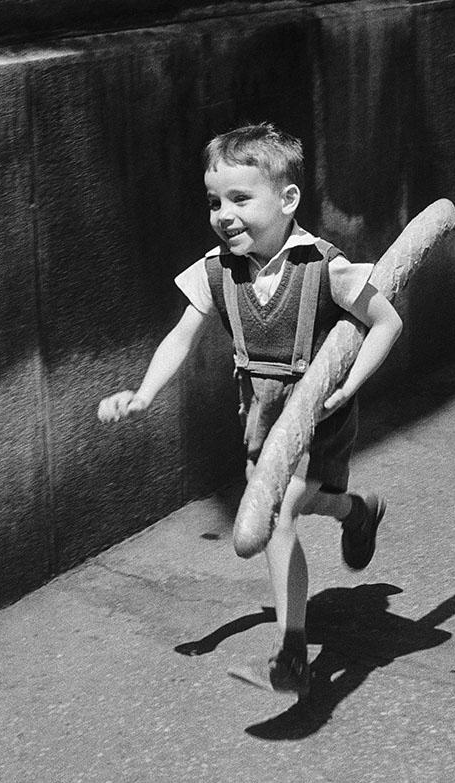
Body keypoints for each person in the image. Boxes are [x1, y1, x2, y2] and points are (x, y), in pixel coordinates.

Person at [98, 122, 403, 698]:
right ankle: (355, 511)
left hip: (319, 413)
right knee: (295, 506)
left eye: (241, 198)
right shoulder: (218, 269)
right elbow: (181, 336)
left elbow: (387, 322)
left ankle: (292, 654)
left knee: (279, 516)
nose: (223, 213)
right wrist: (143, 393)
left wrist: (349, 384)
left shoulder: (323, 267)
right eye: (215, 201)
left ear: (287, 200)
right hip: (260, 415)